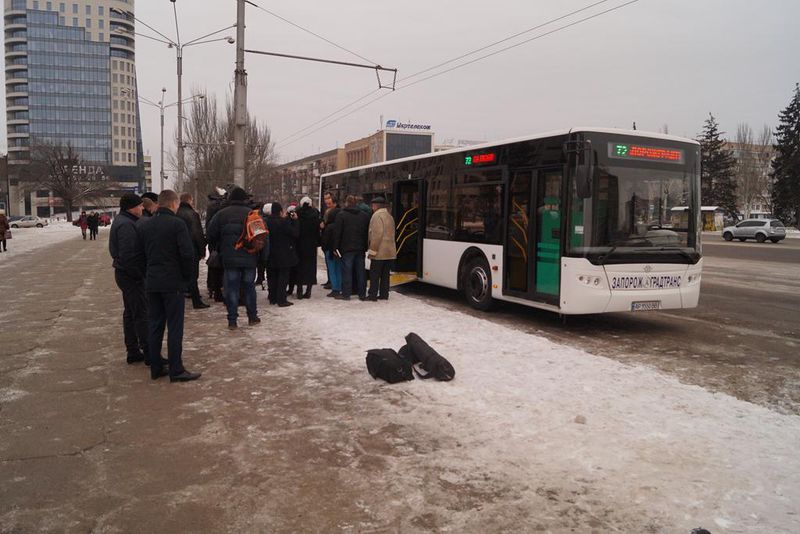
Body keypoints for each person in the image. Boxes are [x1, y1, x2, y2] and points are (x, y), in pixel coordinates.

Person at [136, 190, 201, 382]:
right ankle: (176, 369)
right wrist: (187, 278)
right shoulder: (177, 224)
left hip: (152, 282)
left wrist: (147, 275)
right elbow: (187, 254)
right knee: (174, 326)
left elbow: (139, 255)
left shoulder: (145, 225)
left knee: (155, 324)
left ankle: (155, 367)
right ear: (173, 204)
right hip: (173, 283)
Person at [109, 193, 162, 368]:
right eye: (139, 206)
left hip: (125, 274)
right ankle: (149, 354)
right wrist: (140, 276)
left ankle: (133, 350)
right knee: (141, 314)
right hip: (131, 276)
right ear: (131, 207)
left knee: (131, 313)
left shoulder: (124, 221)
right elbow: (129, 256)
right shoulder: (127, 226)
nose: (142, 208)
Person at [206, 187, 260, 329]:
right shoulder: (252, 214)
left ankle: (232, 321)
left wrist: (218, 246)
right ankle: (252, 316)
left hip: (229, 257)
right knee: (249, 287)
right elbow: (261, 236)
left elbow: (211, 233)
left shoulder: (221, 214)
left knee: (232, 288)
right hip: (249, 257)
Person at [176, 193, 210, 309]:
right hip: (192, 249)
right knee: (192, 275)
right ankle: (196, 301)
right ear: (189, 200)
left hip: (178, 250)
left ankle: (183, 295)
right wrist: (202, 250)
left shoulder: (176, 213)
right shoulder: (192, 214)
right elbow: (197, 233)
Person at [334, 195, 370, 301]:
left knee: (347, 271)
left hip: (346, 248)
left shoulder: (341, 215)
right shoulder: (364, 216)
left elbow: (338, 233)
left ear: (346, 203)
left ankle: (346, 294)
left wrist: (335, 247)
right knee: (361, 271)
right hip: (360, 248)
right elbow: (366, 232)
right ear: (356, 203)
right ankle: (362, 294)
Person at [265, 202, 299, 307]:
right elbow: (295, 233)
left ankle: (272, 297)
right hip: (284, 253)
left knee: (272, 276)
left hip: (270, 253)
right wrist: (296, 221)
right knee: (283, 277)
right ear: (280, 211)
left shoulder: (267, 222)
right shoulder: (283, 222)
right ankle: (281, 299)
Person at [367, 197, 397, 301]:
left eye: (373, 205)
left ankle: (372, 295)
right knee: (385, 275)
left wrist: (373, 251)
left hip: (380, 251)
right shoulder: (389, 216)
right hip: (390, 251)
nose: (372, 207)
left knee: (374, 275)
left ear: (375, 205)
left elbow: (376, 235)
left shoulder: (376, 216)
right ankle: (384, 294)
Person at [294, 196, 320, 299]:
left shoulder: (298, 213)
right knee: (310, 267)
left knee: (299, 267)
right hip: (312, 244)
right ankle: (308, 291)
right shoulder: (315, 214)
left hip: (299, 244)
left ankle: (299, 290)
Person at [320, 192, 342, 297]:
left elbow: (325, 240)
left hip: (330, 250)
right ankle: (339, 286)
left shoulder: (328, 227)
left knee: (332, 269)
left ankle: (335, 288)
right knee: (338, 268)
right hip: (339, 249)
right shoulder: (340, 223)